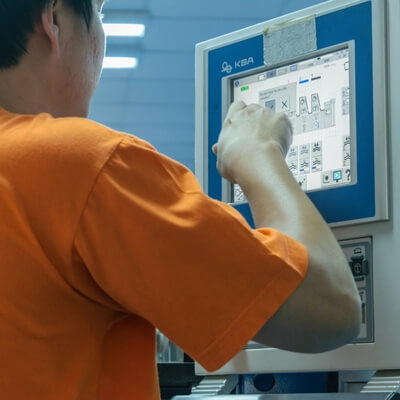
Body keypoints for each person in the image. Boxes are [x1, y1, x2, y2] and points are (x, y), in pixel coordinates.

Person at [0, 0, 361, 399]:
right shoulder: (80, 163)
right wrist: (259, 154)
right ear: (54, 19)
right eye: (99, 14)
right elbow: (332, 308)